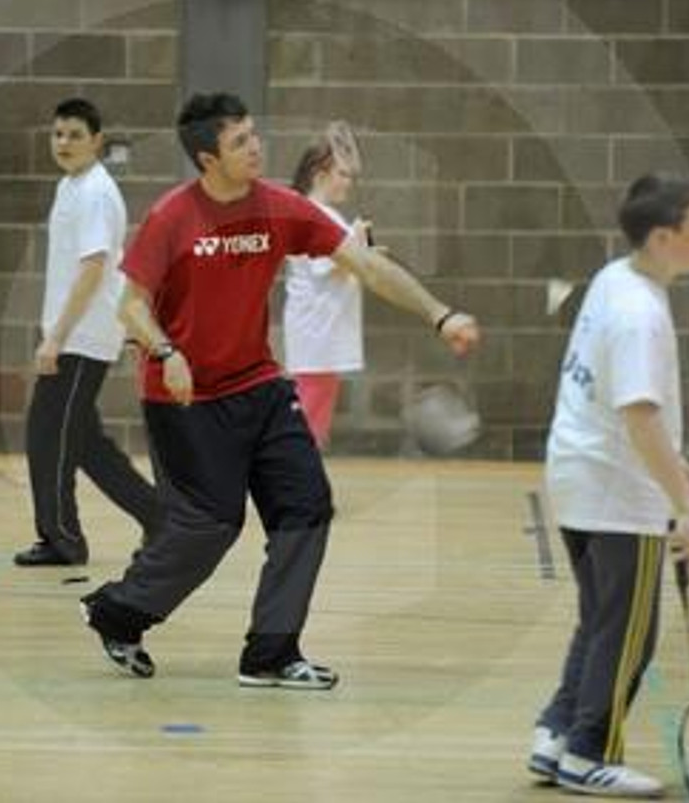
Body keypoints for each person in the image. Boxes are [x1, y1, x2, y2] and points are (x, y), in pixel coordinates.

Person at [80, 92, 480, 689]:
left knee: (306, 507)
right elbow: (130, 304)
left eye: (253, 134)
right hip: (185, 400)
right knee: (211, 526)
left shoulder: (279, 207)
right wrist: (166, 352)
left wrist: (439, 313)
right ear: (207, 158)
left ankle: (271, 651)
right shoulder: (172, 217)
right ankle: (118, 612)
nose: (256, 146)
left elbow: (366, 264)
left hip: (260, 385)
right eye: (240, 141)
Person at [528, 173, 689, 797]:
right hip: (614, 492)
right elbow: (639, 415)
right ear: (663, 237)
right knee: (631, 633)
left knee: (601, 620)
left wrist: (676, 467)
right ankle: (588, 754)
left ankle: (555, 733)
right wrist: (684, 504)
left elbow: (622, 402)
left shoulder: (617, 278)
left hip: (577, 474)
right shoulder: (639, 314)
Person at [13, 98, 161, 567]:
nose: (64, 143)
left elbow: (94, 268)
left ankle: (63, 540)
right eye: (57, 134)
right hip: (77, 334)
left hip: (83, 336)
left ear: (96, 140)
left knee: (47, 435)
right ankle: (160, 517)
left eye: (75, 135)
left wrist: (56, 337)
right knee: (85, 443)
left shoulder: (96, 191)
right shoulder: (71, 185)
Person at [282, 133, 370, 448]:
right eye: (343, 174)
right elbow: (337, 263)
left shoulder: (320, 213)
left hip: (323, 337)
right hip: (317, 336)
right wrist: (358, 241)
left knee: (313, 426)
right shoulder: (315, 215)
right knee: (306, 428)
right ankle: (291, 489)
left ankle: (301, 489)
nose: (349, 182)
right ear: (320, 175)